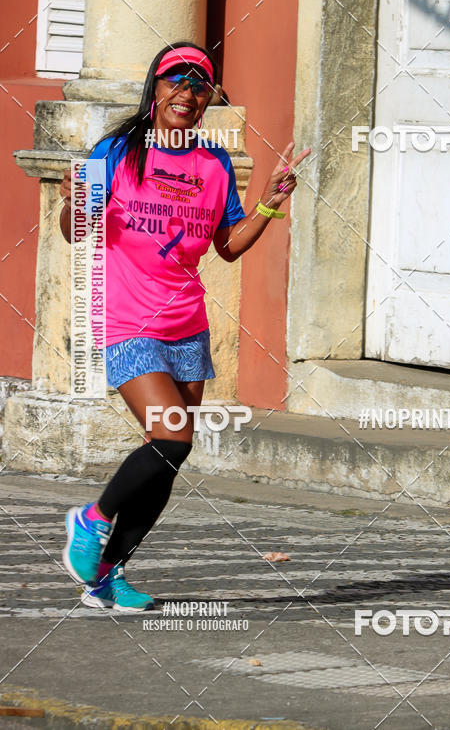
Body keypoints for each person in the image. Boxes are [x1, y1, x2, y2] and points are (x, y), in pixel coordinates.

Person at [58, 41, 310, 613]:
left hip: (186, 326)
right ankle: (90, 519)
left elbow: (228, 247)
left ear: (207, 100)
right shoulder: (117, 151)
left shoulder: (214, 163)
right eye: (177, 80)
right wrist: (76, 204)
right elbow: (78, 232)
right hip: (127, 319)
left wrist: (268, 202)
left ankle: (107, 579)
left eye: (200, 85)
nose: (187, 93)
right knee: (172, 435)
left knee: (171, 455)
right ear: (156, 88)